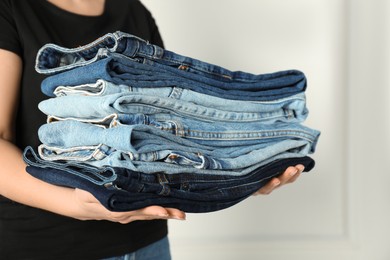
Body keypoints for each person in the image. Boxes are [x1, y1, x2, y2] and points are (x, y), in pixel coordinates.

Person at [0, 0, 305, 259]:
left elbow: (169, 131)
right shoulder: (11, 8)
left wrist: (239, 172)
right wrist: (77, 206)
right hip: (44, 246)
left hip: (148, 244)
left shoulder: (133, 10)